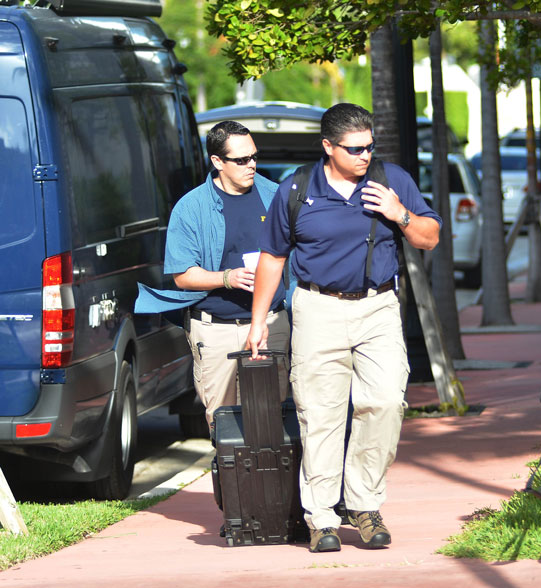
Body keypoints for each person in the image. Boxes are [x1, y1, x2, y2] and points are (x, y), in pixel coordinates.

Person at [245, 103, 441, 553]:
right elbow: (273, 257)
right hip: (317, 308)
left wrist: (400, 214)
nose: (365, 155)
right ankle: (321, 517)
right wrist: (259, 322)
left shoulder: (392, 181)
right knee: (321, 414)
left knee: (386, 401)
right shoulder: (296, 188)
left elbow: (429, 237)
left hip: (378, 307)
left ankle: (365, 505)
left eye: (370, 146)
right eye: (354, 148)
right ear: (328, 147)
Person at [135, 120, 290, 430]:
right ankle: (233, 480)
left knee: (274, 424)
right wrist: (227, 278)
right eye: (242, 160)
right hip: (216, 330)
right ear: (217, 161)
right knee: (225, 428)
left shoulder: (275, 196)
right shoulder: (191, 208)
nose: (252, 165)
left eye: (254, 157)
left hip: (273, 322)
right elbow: (182, 276)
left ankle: (272, 481)